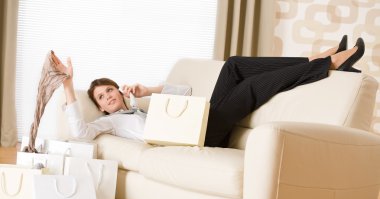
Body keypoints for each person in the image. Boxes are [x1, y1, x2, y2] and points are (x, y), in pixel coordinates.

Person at [52, 35, 365, 148]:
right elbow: (79, 132)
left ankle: (315, 59)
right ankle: (329, 63)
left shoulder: (139, 106)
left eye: (109, 91)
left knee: (235, 65)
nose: (108, 97)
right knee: (252, 86)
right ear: (103, 108)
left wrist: (148, 90)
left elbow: (185, 92)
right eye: (102, 98)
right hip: (196, 139)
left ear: (119, 91)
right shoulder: (111, 123)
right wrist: (68, 84)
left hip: (201, 125)